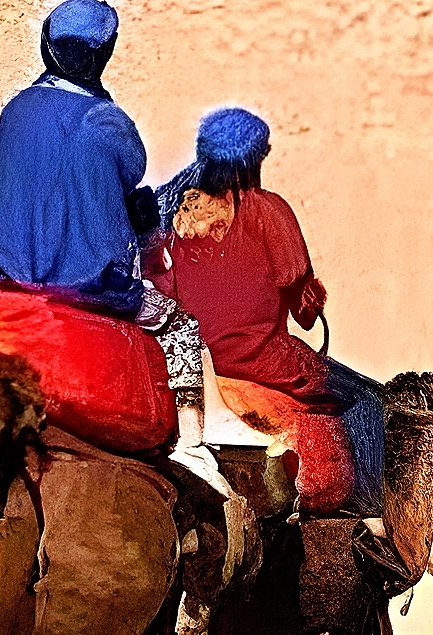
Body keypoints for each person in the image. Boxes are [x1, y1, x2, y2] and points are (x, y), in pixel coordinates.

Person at [0, 0, 267, 493]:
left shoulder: (15, 112)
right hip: (88, 288)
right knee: (182, 327)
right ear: (104, 53)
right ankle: (190, 449)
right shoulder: (110, 124)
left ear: (47, 46)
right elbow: (131, 177)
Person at [144, 107, 394, 518]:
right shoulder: (267, 210)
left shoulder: (175, 215)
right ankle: (367, 517)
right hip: (265, 362)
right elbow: (305, 314)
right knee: (367, 400)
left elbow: (166, 288)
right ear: (255, 159)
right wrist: (312, 296)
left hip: (202, 364)